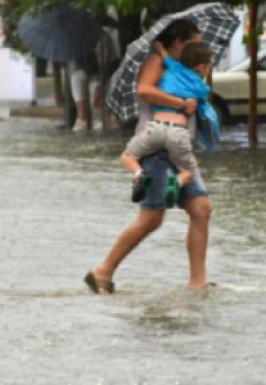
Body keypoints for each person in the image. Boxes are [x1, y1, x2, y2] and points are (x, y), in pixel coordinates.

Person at [85, 19, 212, 295]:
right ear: (178, 42)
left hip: (180, 147)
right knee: (151, 218)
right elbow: (145, 90)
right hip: (156, 148)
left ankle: (198, 282)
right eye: (195, 42)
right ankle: (103, 270)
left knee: (201, 209)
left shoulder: (184, 70)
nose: (199, 47)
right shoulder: (156, 61)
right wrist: (181, 103)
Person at [120, 41, 213, 207]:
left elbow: (164, 55)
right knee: (187, 171)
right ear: (201, 67)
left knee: (127, 156)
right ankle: (175, 183)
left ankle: (140, 175)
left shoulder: (172, 68)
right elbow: (193, 111)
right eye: (208, 67)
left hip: (155, 128)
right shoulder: (201, 88)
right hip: (179, 133)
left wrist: (159, 47)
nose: (208, 71)